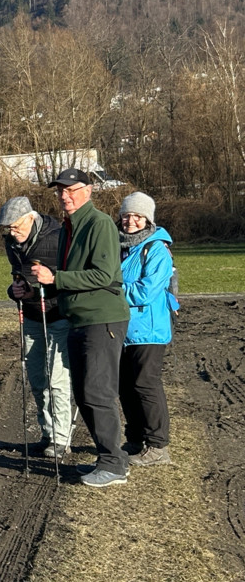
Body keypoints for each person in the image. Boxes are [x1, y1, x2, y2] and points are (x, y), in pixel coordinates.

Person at [31, 168, 132, 488]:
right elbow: (71, 276)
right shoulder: (68, 227)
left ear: (88, 191)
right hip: (78, 318)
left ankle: (114, 464)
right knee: (84, 393)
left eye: (71, 189)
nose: (65, 196)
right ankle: (109, 458)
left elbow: (104, 275)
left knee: (98, 392)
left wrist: (56, 278)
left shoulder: (99, 223)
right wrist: (40, 288)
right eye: (60, 191)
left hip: (102, 319)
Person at [0, 196, 73, 459]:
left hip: (58, 315)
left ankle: (62, 438)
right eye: (8, 228)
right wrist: (16, 291)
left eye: (16, 226)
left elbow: (71, 278)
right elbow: (17, 275)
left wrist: (48, 287)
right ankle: (48, 433)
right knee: (37, 379)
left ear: (31, 217)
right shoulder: (12, 243)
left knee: (56, 380)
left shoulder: (58, 236)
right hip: (30, 315)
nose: (12, 232)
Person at [117, 191, 175, 467]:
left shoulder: (156, 249)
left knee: (146, 385)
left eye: (138, 216)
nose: (131, 221)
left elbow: (147, 291)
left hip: (148, 330)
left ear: (148, 220)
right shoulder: (118, 245)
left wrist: (111, 290)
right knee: (125, 386)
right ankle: (135, 440)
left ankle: (158, 446)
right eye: (127, 215)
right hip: (122, 328)